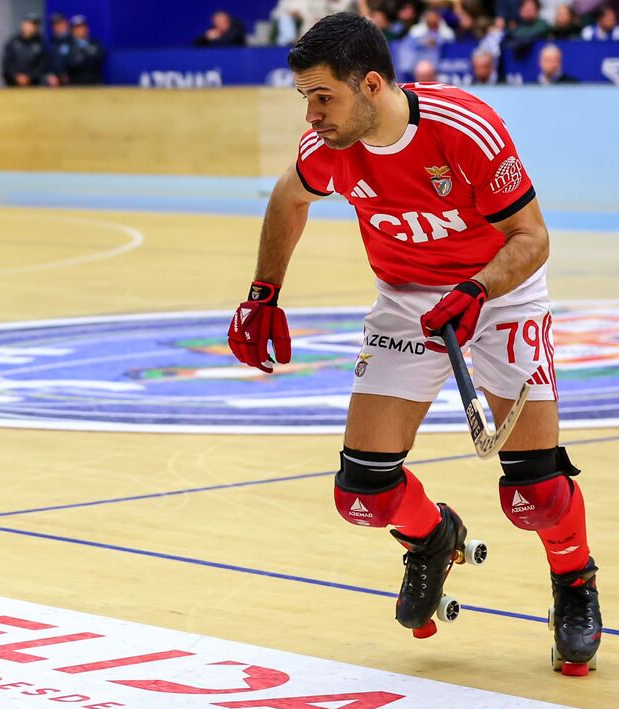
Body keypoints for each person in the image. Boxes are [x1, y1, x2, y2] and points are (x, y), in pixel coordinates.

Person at [227, 12, 600, 675]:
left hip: (499, 291)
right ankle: (432, 539)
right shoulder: (330, 149)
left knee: (535, 493)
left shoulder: (465, 130)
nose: (312, 115)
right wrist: (263, 294)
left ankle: (575, 584)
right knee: (362, 495)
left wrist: (478, 292)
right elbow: (289, 199)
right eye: (305, 99)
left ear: (371, 85)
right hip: (406, 302)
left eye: (323, 97)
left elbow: (533, 239)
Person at [1, 13, 50, 87]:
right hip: (13, 83)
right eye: (28, 23)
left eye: (33, 25)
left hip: (34, 83)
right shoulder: (13, 42)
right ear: (22, 24)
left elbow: (43, 65)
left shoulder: (41, 43)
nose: (30, 27)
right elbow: (7, 64)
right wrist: (16, 76)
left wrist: (29, 77)